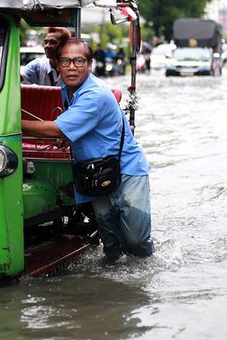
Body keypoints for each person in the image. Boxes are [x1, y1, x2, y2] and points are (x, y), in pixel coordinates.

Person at [21, 37, 154, 262]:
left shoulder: (95, 94)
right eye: (66, 61)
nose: (72, 67)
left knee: (136, 242)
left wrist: (9, 121)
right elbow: (77, 126)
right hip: (93, 173)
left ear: (90, 64)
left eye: (78, 61)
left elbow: (55, 130)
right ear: (57, 64)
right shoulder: (68, 88)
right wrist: (70, 136)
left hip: (126, 171)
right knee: (111, 246)